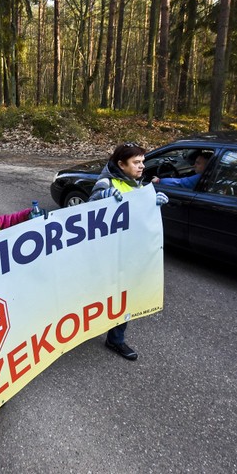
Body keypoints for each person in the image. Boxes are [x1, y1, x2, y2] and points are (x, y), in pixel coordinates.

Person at [88, 142, 168, 361]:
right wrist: (100, 198)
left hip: (127, 255)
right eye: (136, 162)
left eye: (142, 161)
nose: (141, 166)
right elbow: (85, 212)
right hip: (106, 255)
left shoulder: (139, 185)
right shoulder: (106, 182)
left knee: (123, 299)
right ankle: (79, 330)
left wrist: (155, 204)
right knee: (94, 296)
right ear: (121, 164)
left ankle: (115, 340)